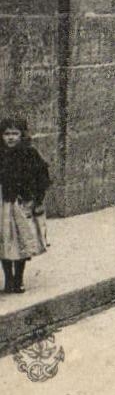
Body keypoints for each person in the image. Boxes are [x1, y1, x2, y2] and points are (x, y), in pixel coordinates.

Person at [0, 116, 50, 294]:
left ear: (22, 135)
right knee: (4, 242)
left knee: (21, 241)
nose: (11, 138)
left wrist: (37, 199)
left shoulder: (30, 154)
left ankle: (19, 278)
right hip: (3, 204)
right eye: (7, 134)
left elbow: (42, 177)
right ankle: (8, 279)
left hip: (22, 203)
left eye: (15, 133)